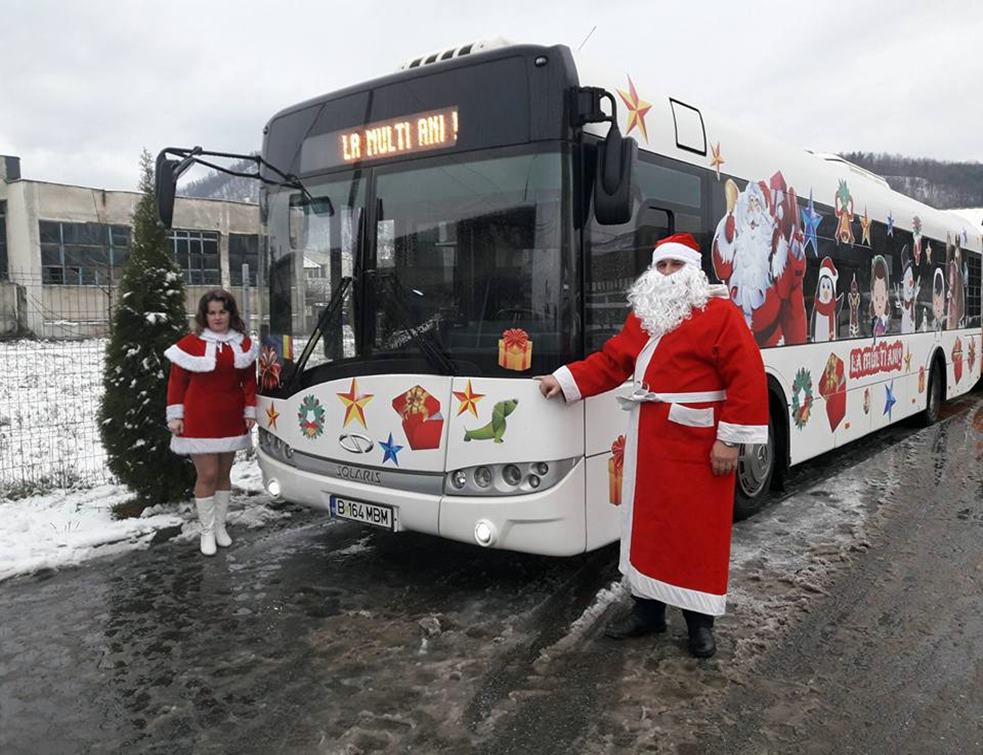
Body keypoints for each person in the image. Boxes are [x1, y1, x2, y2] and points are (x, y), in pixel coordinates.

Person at [537, 233, 768, 658]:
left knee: (697, 533)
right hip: (651, 445)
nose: (666, 273)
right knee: (649, 529)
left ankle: (700, 623)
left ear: (693, 270)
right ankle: (648, 613)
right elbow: (612, 362)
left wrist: (730, 441)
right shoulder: (646, 315)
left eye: (675, 265)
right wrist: (564, 380)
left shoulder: (721, 314)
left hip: (700, 445)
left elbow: (747, 378)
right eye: (661, 266)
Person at [164, 290, 258, 555]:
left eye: (222, 312)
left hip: (231, 418)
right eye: (212, 313)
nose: (217, 317)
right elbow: (177, 383)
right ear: (204, 316)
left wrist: (250, 411)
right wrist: (175, 416)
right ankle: (206, 532)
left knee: (224, 475)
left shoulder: (243, 343)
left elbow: (249, 381)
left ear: (231, 314)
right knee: (207, 475)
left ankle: (219, 527)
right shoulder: (190, 345)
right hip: (199, 418)